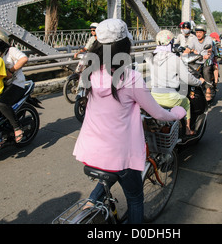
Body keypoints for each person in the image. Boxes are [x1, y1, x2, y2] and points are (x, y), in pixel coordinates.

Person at [72, 18, 186, 224]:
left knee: (111, 170)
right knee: (135, 198)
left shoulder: (88, 74)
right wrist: (177, 113)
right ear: (125, 47)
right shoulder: (130, 78)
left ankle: (90, 205)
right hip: (119, 152)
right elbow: (158, 113)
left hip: (90, 150)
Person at [147, 29, 205, 136]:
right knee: (186, 102)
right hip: (170, 98)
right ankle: (187, 129)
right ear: (171, 43)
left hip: (154, 96)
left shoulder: (151, 57)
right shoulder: (174, 59)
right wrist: (198, 82)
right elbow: (187, 78)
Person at [0, 30, 28, 143]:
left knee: (2, 103)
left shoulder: (11, 51)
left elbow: (24, 58)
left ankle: (17, 128)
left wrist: (11, 70)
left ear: (0, 42)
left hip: (17, 84)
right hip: (3, 85)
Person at [186, 24, 217, 103]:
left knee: (206, 71)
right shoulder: (193, 40)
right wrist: (182, 55)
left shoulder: (208, 39)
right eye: (197, 32)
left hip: (206, 60)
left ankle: (208, 89)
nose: (198, 34)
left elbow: (209, 48)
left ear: (204, 32)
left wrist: (208, 55)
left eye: (200, 32)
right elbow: (188, 49)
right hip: (196, 61)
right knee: (190, 72)